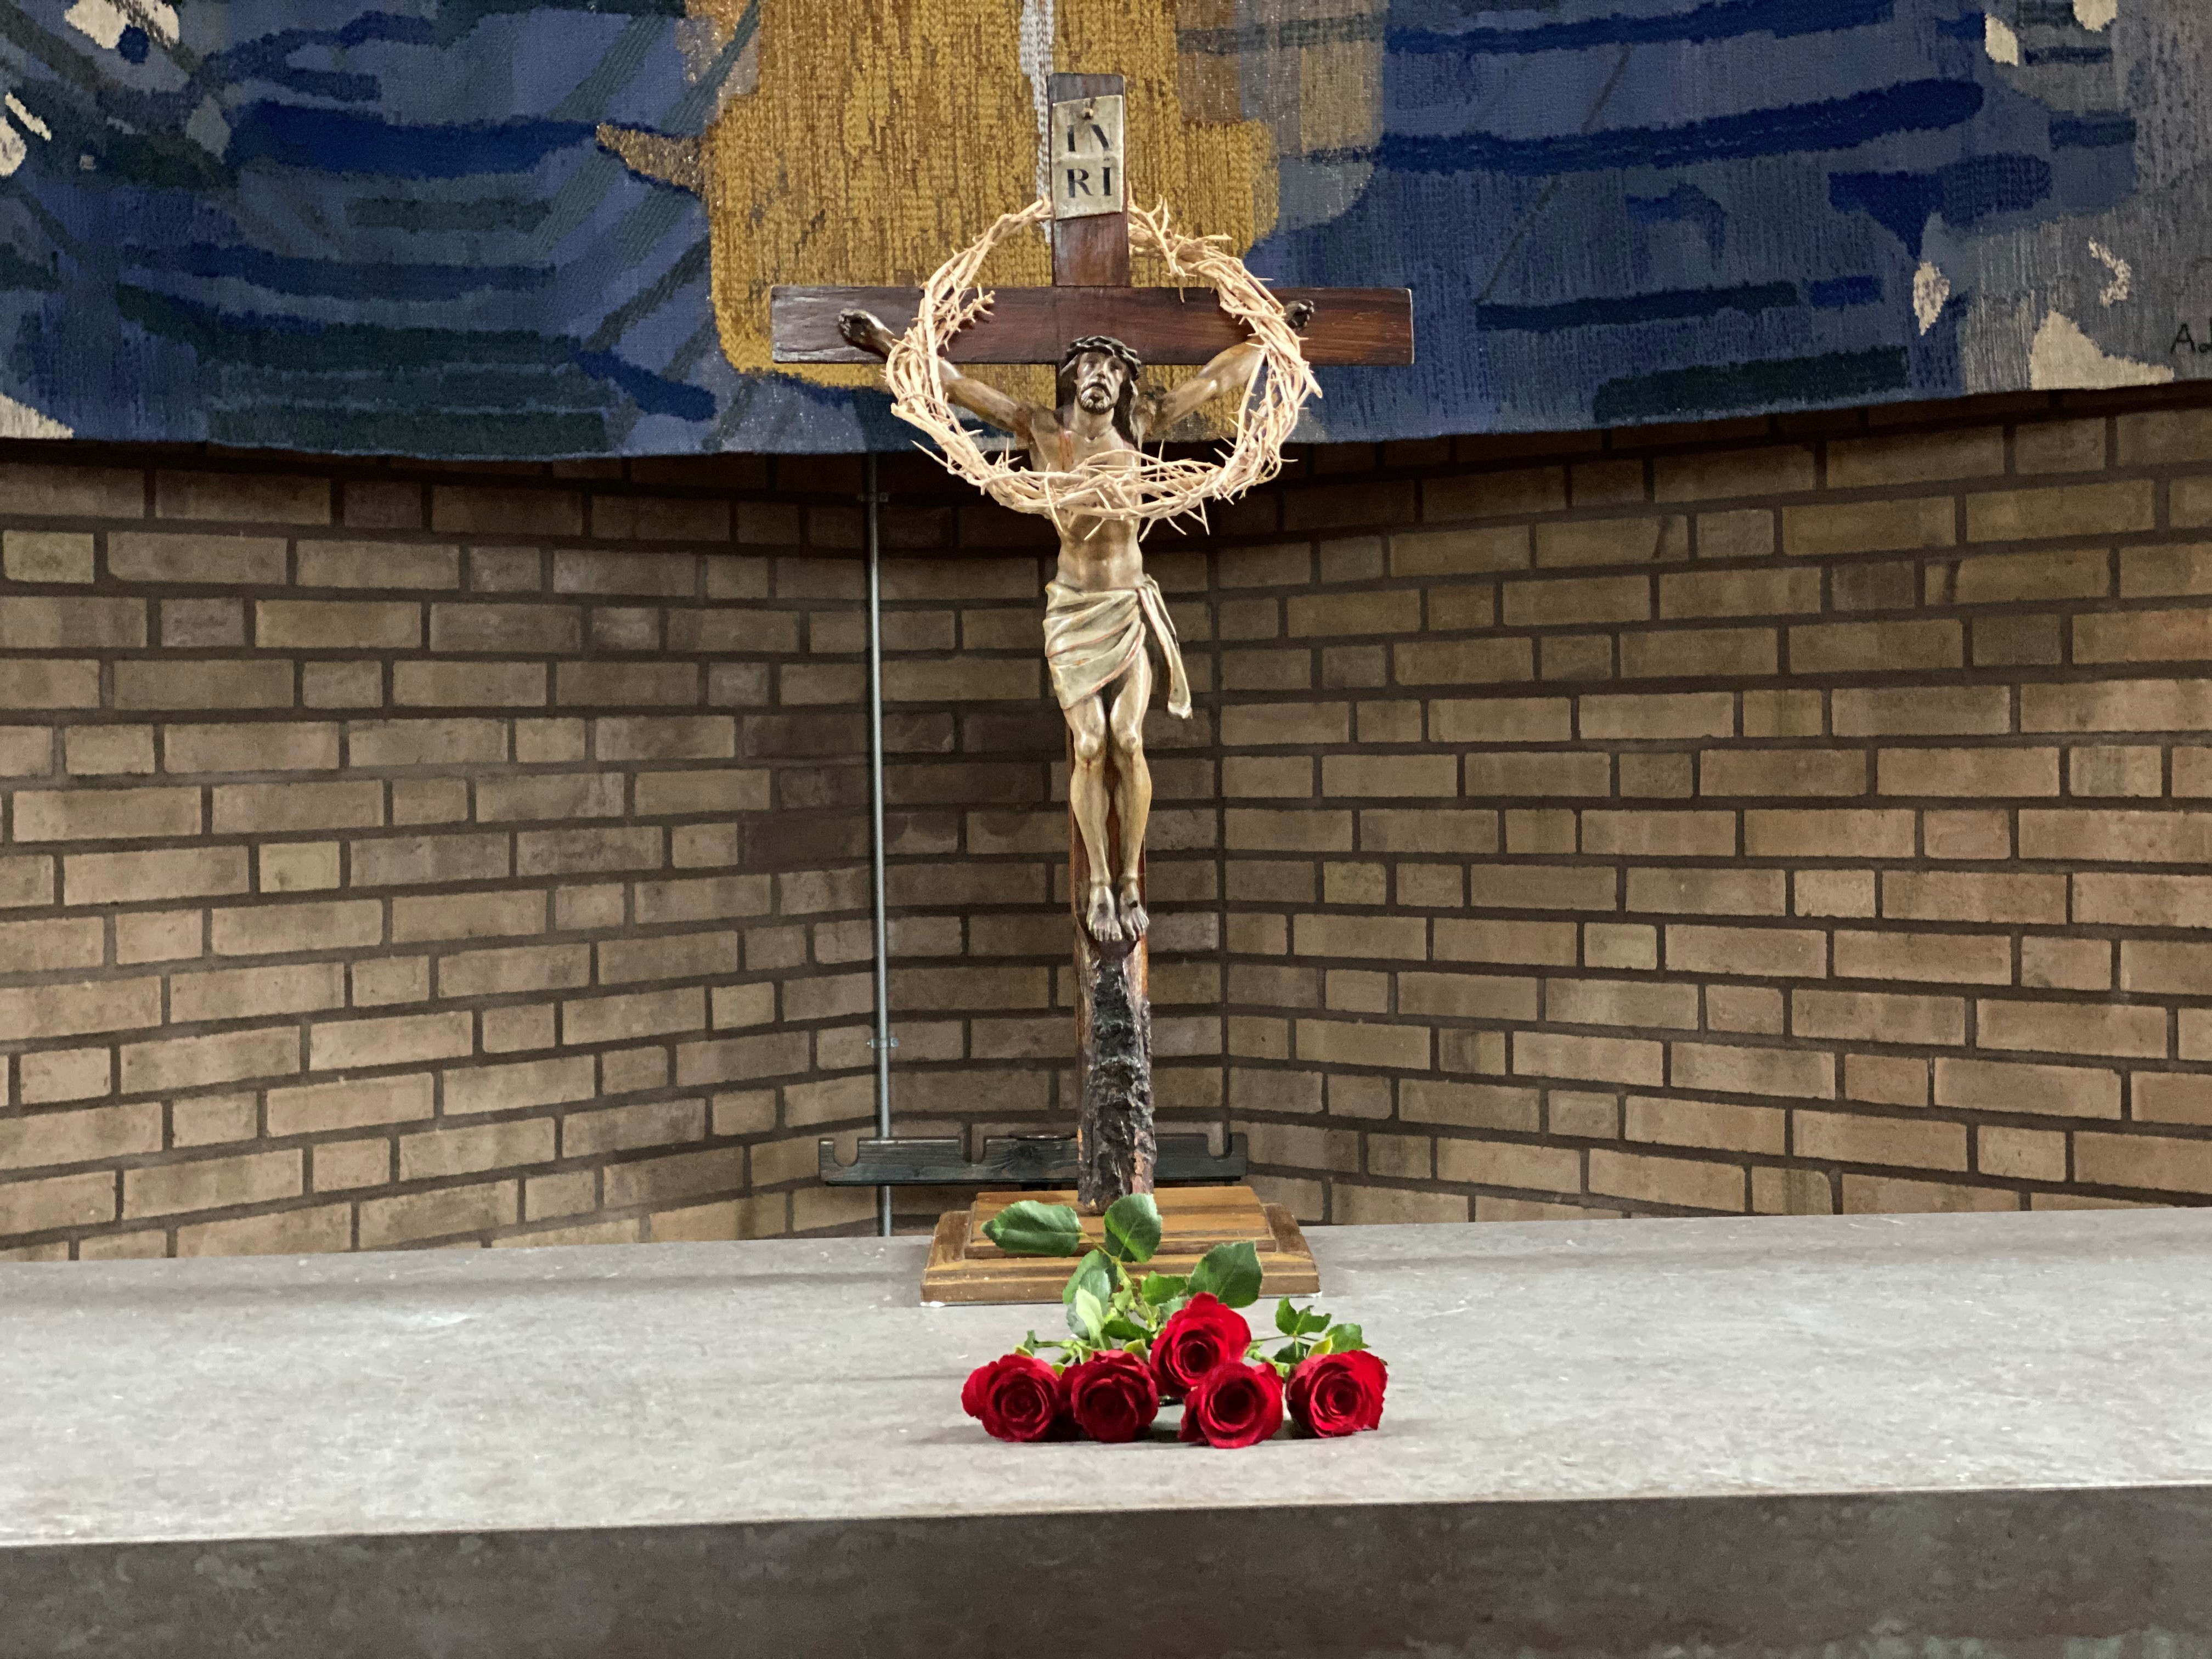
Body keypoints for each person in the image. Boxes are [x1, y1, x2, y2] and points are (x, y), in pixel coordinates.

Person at [838, 304, 1312, 940]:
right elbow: (955, 385)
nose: (1101, 377)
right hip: (1073, 610)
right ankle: (1098, 885)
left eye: (1114, 370)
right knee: (1090, 746)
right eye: (1090, 366)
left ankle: (1130, 881)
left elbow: (1214, 381)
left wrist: (1273, 336)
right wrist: (883, 342)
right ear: (1071, 377)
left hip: (1125, 604)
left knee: (1129, 740)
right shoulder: (1040, 428)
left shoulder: (1139, 426)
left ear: (1126, 385)